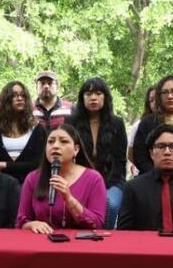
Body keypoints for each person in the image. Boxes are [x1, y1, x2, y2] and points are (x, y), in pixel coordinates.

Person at [17, 124, 107, 233]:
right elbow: (21, 222)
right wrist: (32, 224)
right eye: (50, 142)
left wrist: (69, 200)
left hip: (80, 245)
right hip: (41, 243)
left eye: (63, 141)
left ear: (76, 149)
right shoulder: (33, 178)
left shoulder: (93, 179)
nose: (55, 146)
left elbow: (97, 224)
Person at [70, 78, 128, 229]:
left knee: (110, 203)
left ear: (105, 97)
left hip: (112, 180)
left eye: (98, 93)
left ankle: (105, 240)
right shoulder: (71, 122)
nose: (93, 97)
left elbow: (120, 161)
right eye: (88, 94)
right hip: (80, 178)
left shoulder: (117, 123)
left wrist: (103, 186)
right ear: (82, 98)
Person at [0, 81, 46, 183]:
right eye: (14, 95)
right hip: (0, 185)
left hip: (30, 184)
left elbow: (38, 163)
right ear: (6, 100)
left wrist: (4, 165)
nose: (19, 98)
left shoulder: (37, 128)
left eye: (22, 95)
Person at [127, 86, 156, 176]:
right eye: (151, 100)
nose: (155, 103)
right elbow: (131, 154)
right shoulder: (139, 125)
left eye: (159, 98)